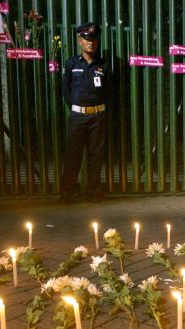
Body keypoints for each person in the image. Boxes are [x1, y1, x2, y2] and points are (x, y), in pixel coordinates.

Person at [60, 22, 111, 203]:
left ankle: (93, 192)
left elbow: (108, 91)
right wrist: (75, 107)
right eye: (87, 38)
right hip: (77, 116)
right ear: (79, 40)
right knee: (73, 155)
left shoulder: (103, 65)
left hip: (98, 116)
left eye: (95, 39)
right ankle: (67, 193)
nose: (91, 42)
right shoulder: (71, 64)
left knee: (95, 157)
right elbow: (66, 89)